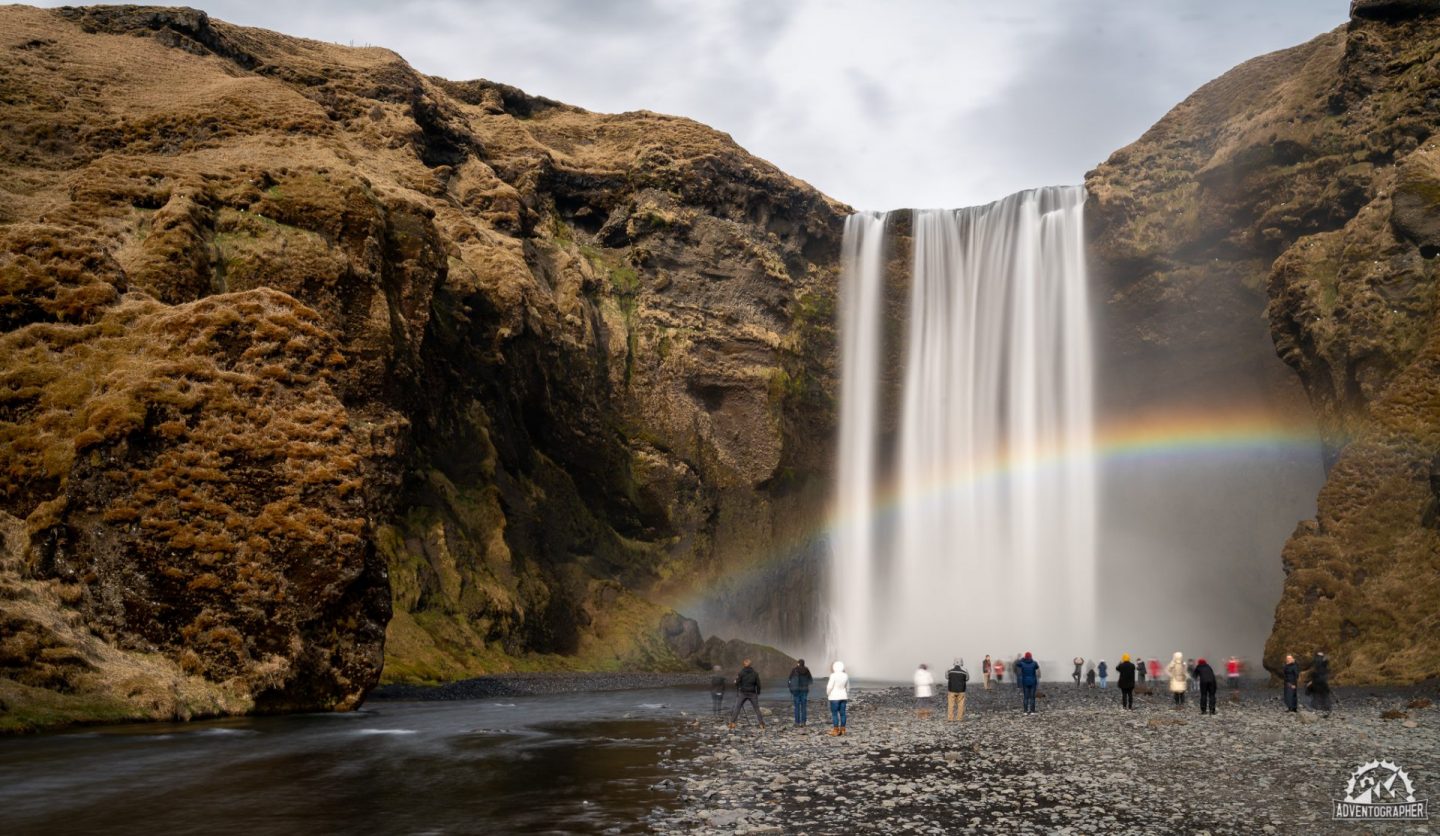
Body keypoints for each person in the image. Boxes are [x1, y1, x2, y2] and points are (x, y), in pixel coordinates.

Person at [728, 659, 764, 729]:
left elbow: (737, 683)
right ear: (750, 665)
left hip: (743, 693)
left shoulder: (741, 673)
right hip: (752, 693)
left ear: (744, 665)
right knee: (757, 709)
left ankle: (732, 723)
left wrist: (735, 682)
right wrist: (758, 692)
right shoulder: (755, 673)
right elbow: (758, 684)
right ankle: (761, 724)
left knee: (737, 708)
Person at [826, 661, 850, 736]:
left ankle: (836, 730)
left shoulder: (833, 675)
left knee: (834, 714)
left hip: (834, 697)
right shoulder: (845, 675)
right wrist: (846, 694)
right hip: (843, 696)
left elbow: (830, 687)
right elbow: (848, 687)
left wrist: (828, 693)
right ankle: (843, 729)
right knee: (843, 714)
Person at [787, 659, 813, 726]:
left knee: (797, 707)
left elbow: (789, 679)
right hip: (804, 690)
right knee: (804, 707)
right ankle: (803, 722)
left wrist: (790, 688)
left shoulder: (794, 670)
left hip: (796, 690)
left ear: (798, 663)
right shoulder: (807, 670)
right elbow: (810, 680)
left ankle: (797, 722)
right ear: (804, 663)